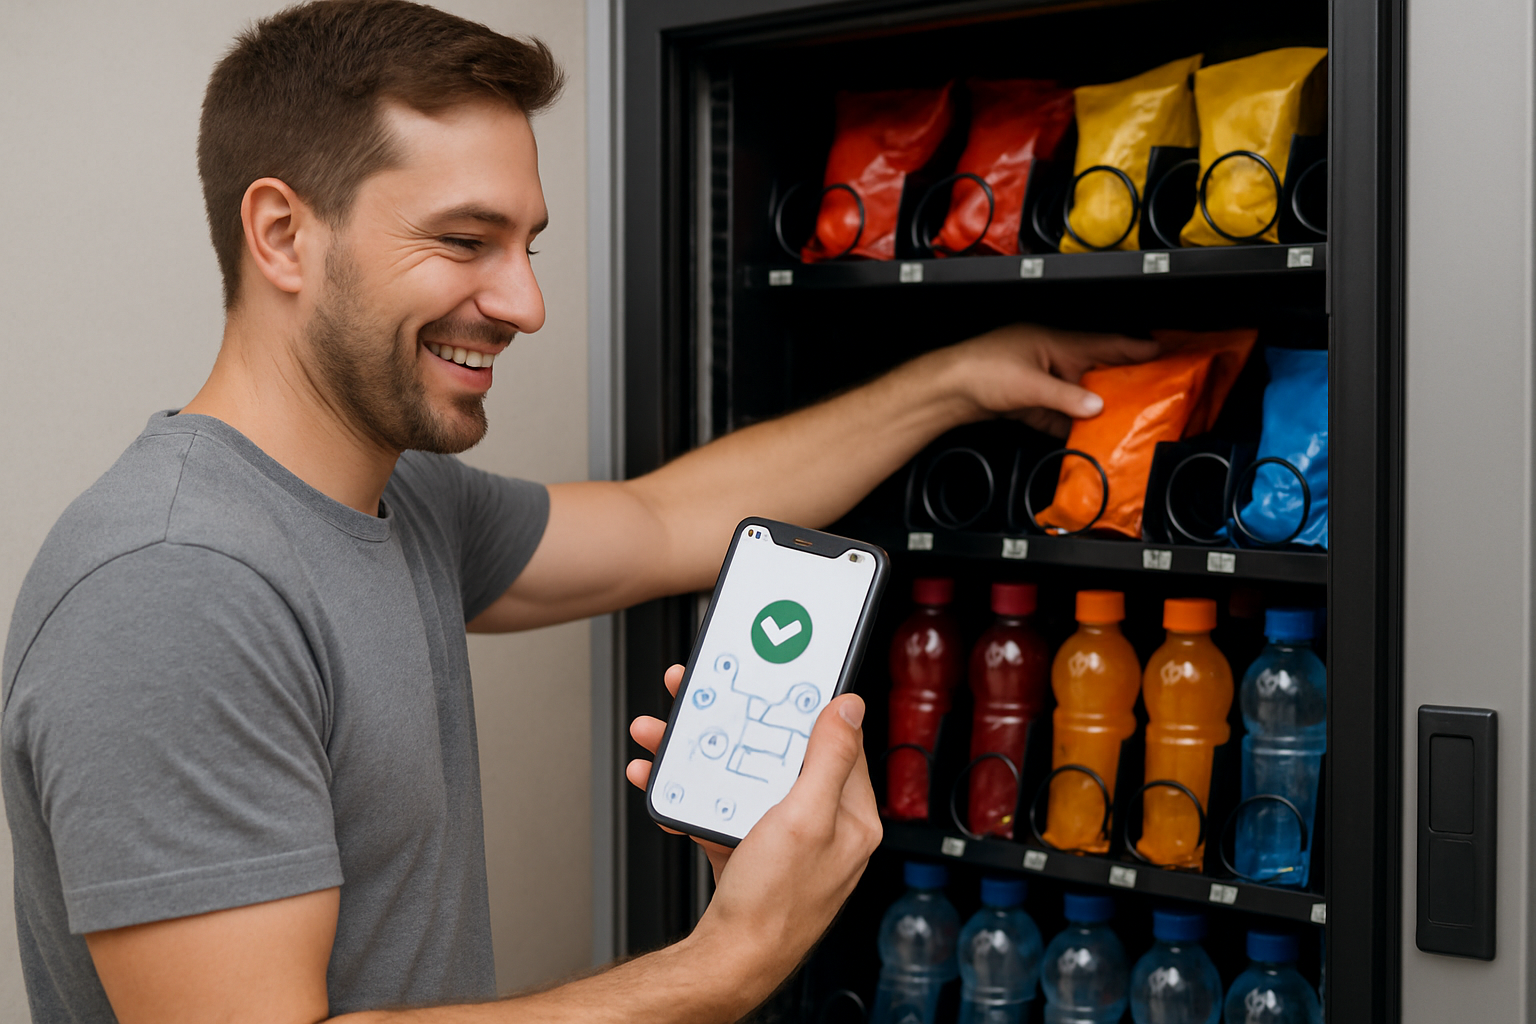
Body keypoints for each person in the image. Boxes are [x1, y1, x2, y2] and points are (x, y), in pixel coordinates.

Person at [0, 2, 1155, 1021]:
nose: (526, 302)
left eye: (528, 245)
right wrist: (729, 961)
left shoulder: (404, 504)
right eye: (465, 242)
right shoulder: (173, 585)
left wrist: (960, 379)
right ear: (283, 234)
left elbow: (665, 521)